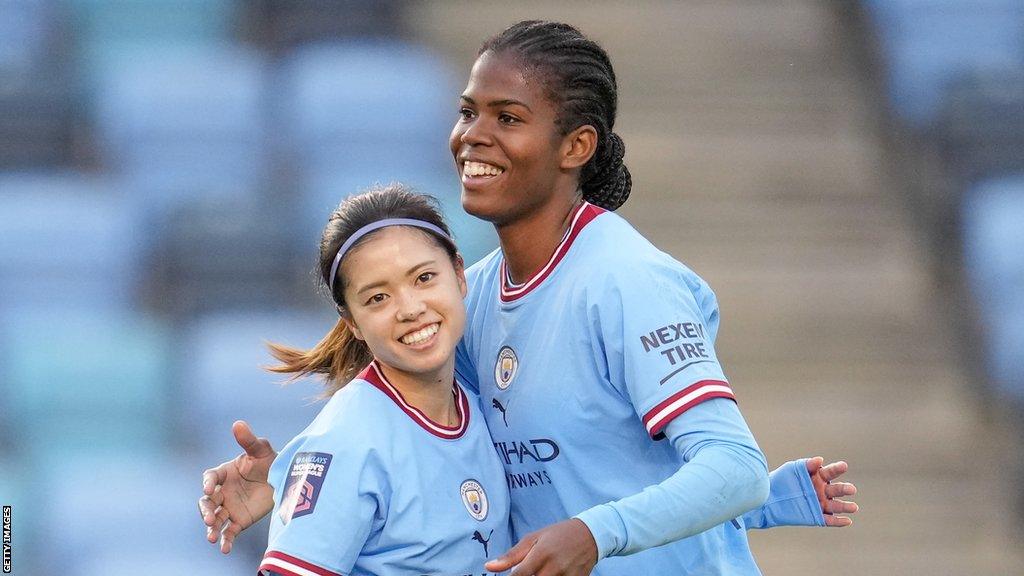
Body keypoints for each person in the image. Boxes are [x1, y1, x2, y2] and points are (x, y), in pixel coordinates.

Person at [199, 20, 859, 575]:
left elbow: (733, 467)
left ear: (575, 145)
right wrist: (288, 480)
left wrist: (595, 534)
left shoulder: (625, 280)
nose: (472, 136)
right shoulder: (471, 297)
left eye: (507, 117)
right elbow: (410, 429)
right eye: (468, 111)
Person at [253, 186, 512, 576]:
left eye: (424, 278)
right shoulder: (347, 439)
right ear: (352, 323)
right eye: (378, 298)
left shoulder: (482, 402)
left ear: (459, 275)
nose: (410, 309)